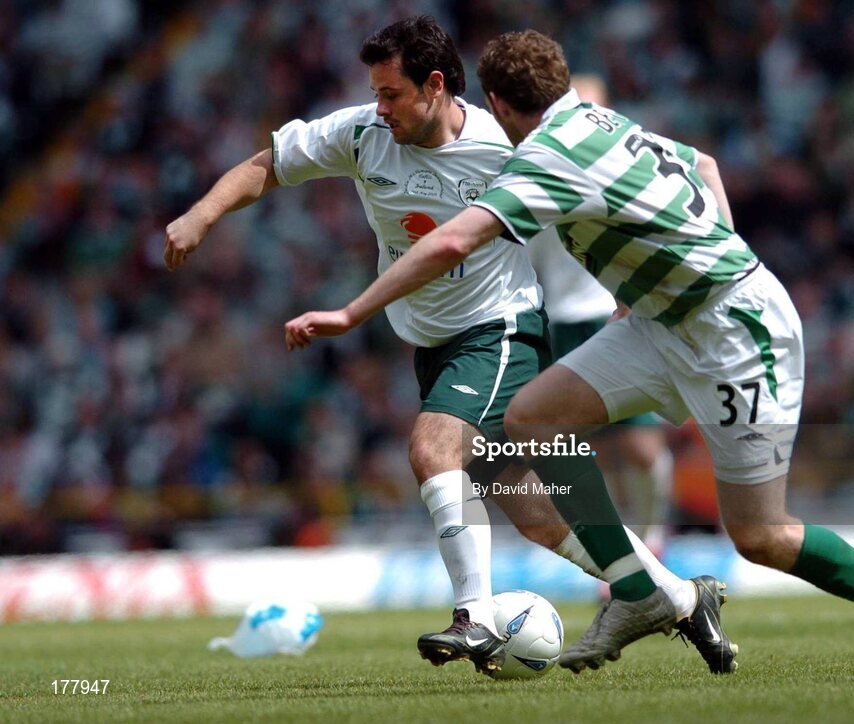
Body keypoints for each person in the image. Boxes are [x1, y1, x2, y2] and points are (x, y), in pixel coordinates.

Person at [281, 29, 854, 681]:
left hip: (734, 334)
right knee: (530, 420)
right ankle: (639, 589)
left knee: (762, 535)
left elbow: (452, 242)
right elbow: (702, 163)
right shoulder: (596, 119)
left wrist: (350, 311)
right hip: (658, 321)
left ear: (494, 102)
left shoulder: (544, 159)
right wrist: (682, 261)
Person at [165, 17, 709, 677]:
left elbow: (609, 193)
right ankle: (676, 596)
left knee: (432, 447)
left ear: (434, 85)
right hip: (432, 346)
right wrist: (201, 215)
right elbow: (268, 166)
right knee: (534, 510)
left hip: (499, 329)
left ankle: (473, 616)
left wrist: (633, 283)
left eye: (391, 93)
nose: (379, 106)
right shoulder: (363, 135)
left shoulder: (501, 144)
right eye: (374, 92)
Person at [529, 73, 675, 555]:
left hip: (616, 312)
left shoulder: (620, 164)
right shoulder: (537, 164)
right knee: (596, 450)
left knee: (639, 444)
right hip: (562, 320)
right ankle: (623, 546)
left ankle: (654, 536)